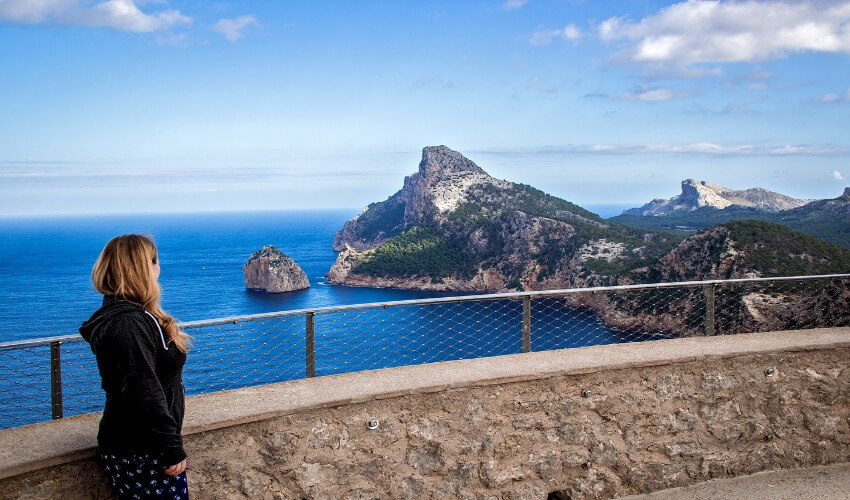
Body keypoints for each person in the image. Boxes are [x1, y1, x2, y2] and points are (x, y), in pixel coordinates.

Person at [80, 234, 191, 499]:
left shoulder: (124, 316)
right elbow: (143, 390)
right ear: (145, 268)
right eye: (156, 261)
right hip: (143, 449)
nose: (159, 268)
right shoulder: (130, 324)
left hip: (135, 444)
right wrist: (170, 447)